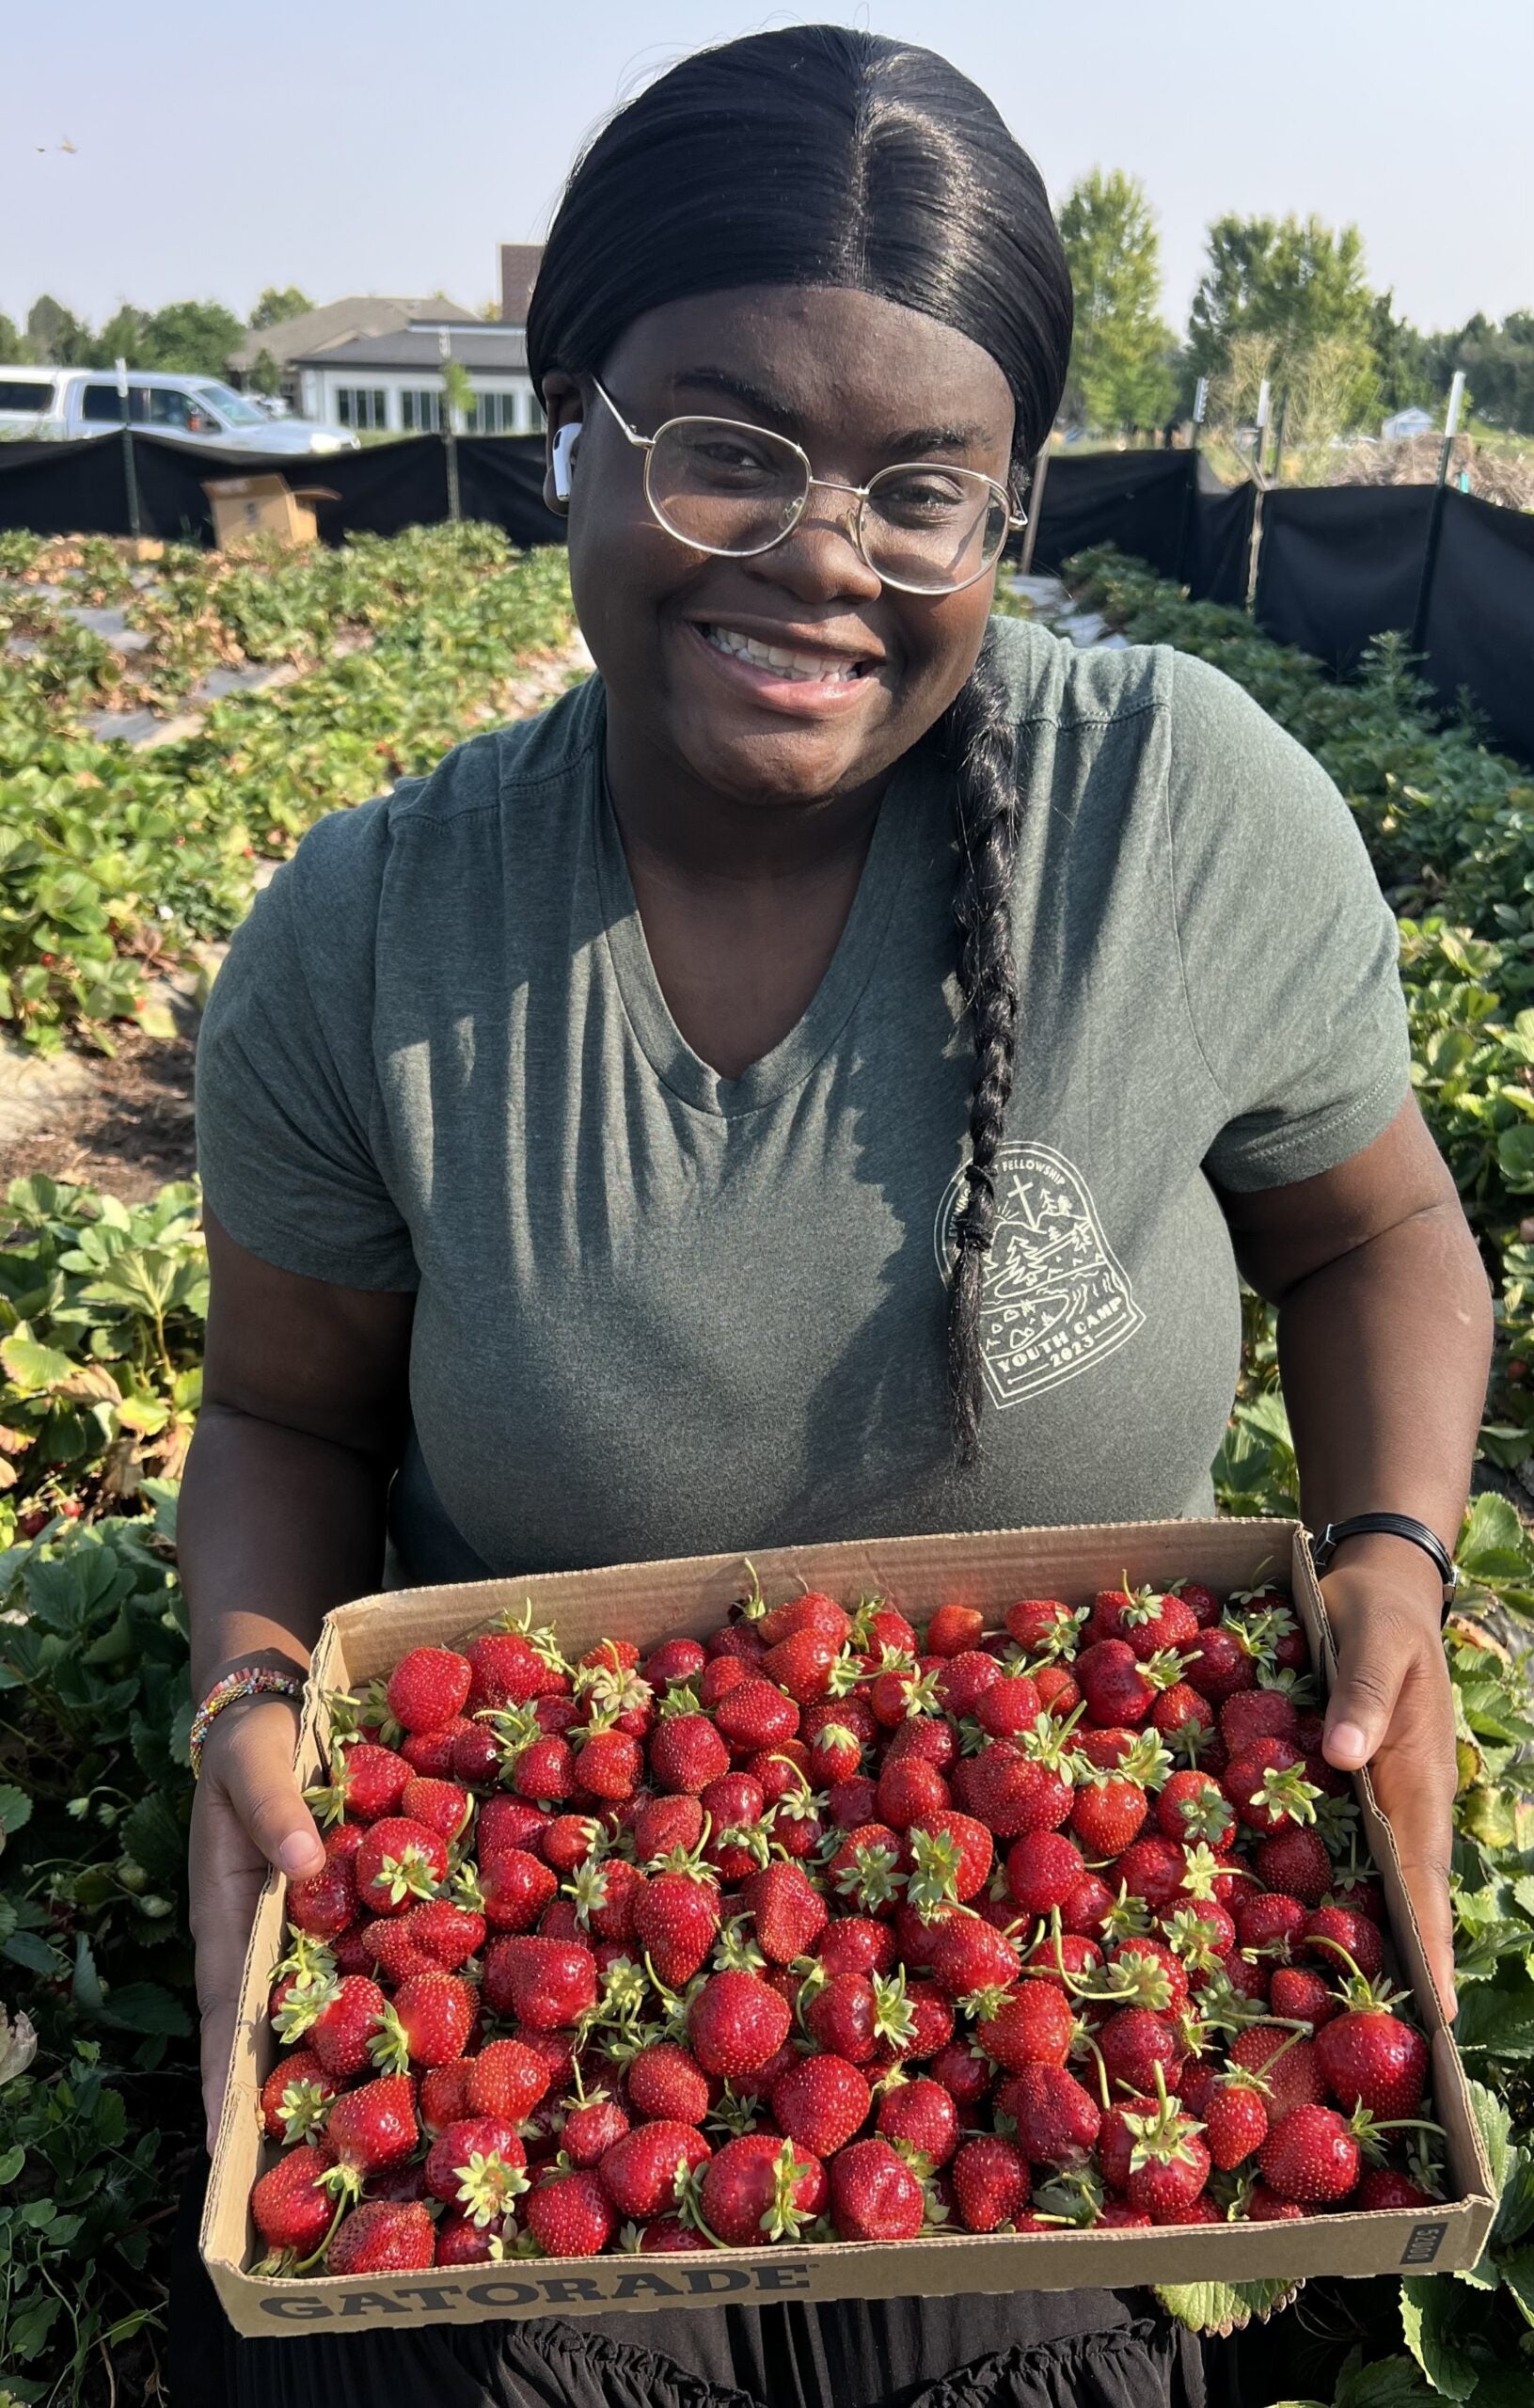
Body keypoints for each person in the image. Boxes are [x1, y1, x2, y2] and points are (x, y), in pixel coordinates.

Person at [174, 25, 1489, 2408]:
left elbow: (1374, 1232)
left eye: (923, 490)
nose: (818, 554)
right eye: (724, 449)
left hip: (1083, 1877)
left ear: (1012, 509)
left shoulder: (1184, 819)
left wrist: (1392, 1549)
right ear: (568, 418)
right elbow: (279, 1408)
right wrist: (255, 1697)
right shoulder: (368, 937)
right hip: (541, 1851)